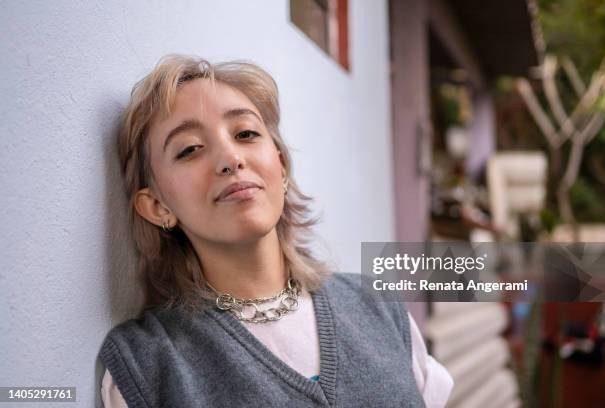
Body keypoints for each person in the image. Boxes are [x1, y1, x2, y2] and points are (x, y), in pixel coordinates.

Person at [98, 54, 453, 407]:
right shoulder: (145, 366)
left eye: (246, 133)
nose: (231, 159)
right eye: (190, 149)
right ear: (158, 207)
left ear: (281, 166)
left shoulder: (377, 306)